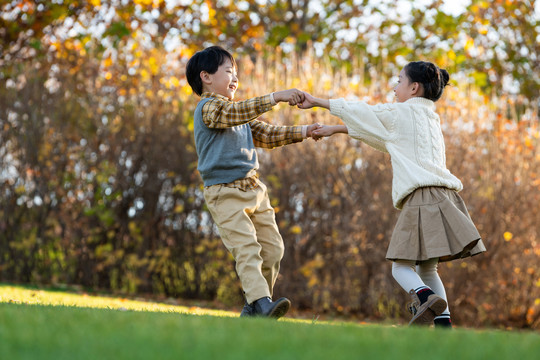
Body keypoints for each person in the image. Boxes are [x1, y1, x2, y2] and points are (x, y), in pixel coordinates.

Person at [298, 61, 486, 327]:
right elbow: (386, 139)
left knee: (400, 267)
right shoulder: (430, 118)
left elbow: (364, 112)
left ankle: (425, 298)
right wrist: (336, 129)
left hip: (421, 198)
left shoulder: (400, 113)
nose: (394, 87)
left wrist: (317, 101)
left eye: (399, 81)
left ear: (413, 87)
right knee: (428, 268)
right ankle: (444, 327)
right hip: (444, 197)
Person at [186, 46, 320, 319]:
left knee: (273, 249)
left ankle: (255, 307)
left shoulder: (240, 114)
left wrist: (307, 131)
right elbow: (232, 115)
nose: (235, 78)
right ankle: (260, 303)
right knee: (247, 249)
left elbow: (268, 134)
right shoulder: (209, 107)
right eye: (228, 71)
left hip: (254, 189)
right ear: (206, 77)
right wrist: (276, 96)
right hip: (224, 193)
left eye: (236, 73)